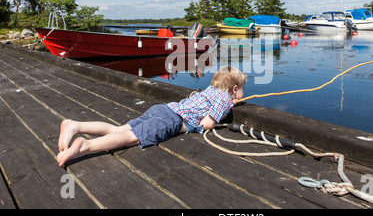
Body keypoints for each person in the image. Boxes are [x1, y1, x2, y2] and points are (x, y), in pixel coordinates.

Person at [56, 66, 247, 167]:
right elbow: (206, 124)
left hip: (162, 109)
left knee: (121, 129)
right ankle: (86, 145)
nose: (242, 95)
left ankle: (75, 125)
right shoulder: (223, 99)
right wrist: (227, 108)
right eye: (242, 91)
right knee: (131, 138)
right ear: (234, 89)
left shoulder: (210, 90)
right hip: (171, 120)